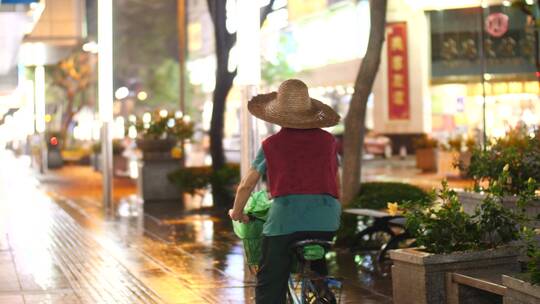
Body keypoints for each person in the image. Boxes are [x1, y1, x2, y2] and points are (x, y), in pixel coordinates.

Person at [228, 79, 342, 304]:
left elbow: (247, 184)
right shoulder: (329, 141)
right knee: (317, 262)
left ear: (278, 114)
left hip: (285, 221)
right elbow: (336, 182)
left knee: (270, 281)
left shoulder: (271, 144)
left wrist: (236, 211)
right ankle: (323, 291)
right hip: (328, 220)